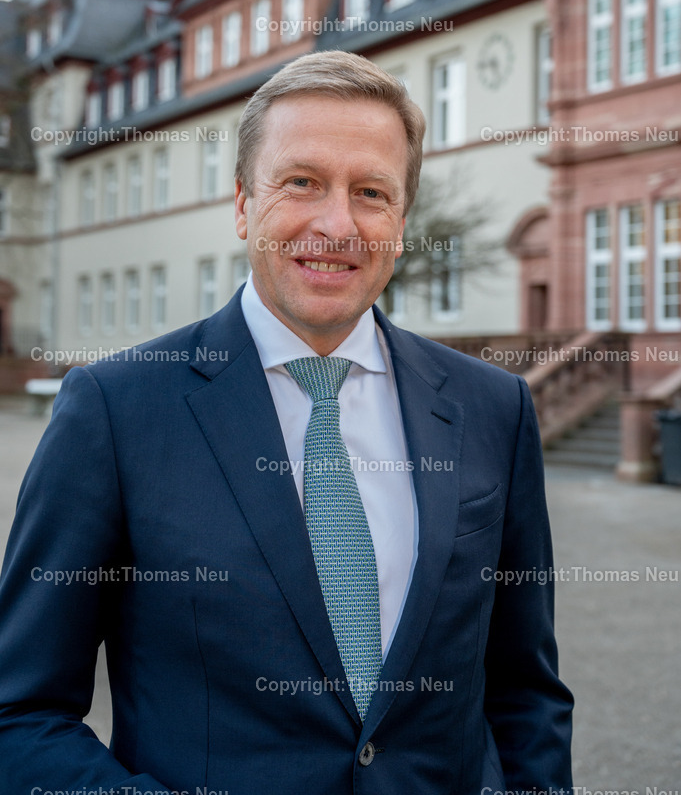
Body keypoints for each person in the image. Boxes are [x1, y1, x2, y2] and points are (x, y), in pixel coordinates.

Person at [0, 50, 573, 794]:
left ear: (401, 221)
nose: (337, 224)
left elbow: (526, 692)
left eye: (371, 192)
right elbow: (19, 712)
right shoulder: (115, 410)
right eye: (301, 182)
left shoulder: (493, 407)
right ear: (243, 204)